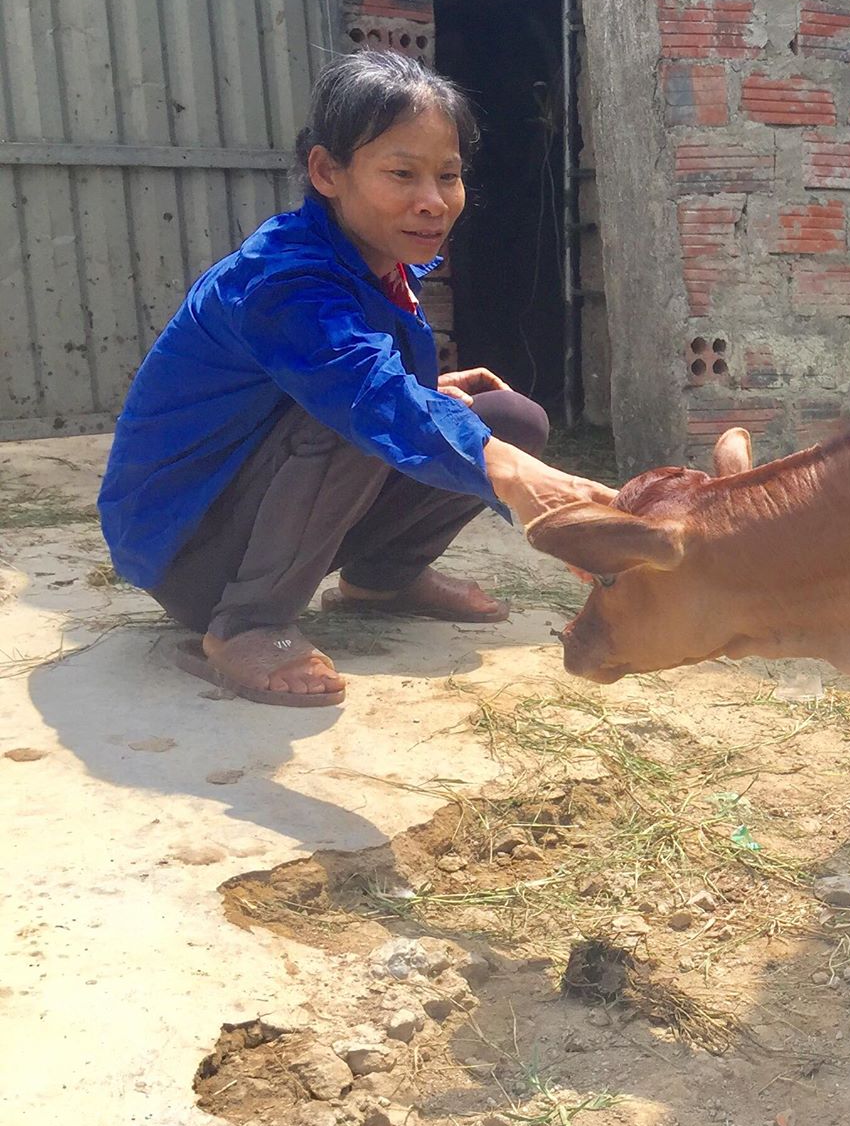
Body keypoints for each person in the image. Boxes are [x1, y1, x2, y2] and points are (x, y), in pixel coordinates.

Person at [98, 51, 613, 708]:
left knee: (507, 419)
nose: (433, 202)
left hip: (255, 503)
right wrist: (532, 484)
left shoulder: (381, 263)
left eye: (448, 176)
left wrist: (444, 407)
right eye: (401, 173)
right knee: (360, 418)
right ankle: (246, 625)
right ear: (326, 172)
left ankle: (383, 578)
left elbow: (363, 377)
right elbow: (362, 390)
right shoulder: (286, 278)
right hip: (188, 549)